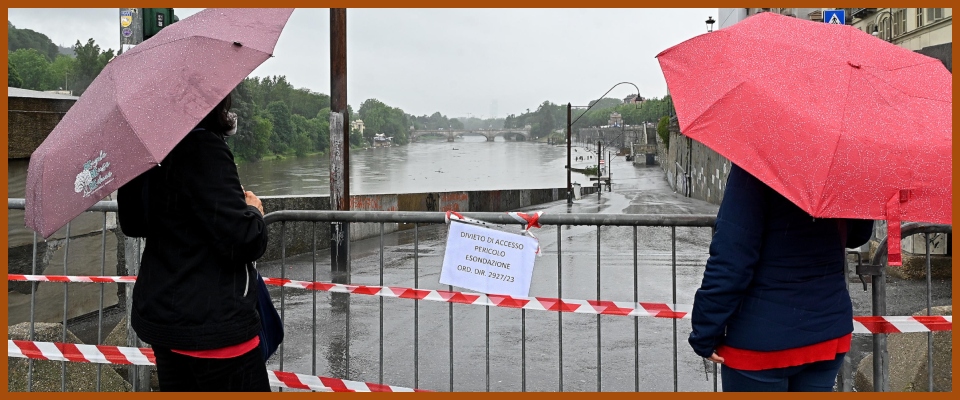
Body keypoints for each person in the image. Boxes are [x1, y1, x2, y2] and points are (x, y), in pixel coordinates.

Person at [118, 92, 270, 391]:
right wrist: (253, 210)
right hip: (214, 325)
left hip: (165, 322)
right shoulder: (204, 147)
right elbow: (243, 240)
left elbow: (133, 223)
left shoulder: (145, 151)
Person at [689, 163, 873, 392]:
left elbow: (731, 258)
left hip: (760, 340)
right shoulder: (845, 164)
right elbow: (859, 235)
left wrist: (706, 330)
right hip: (827, 329)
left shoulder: (757, 161)